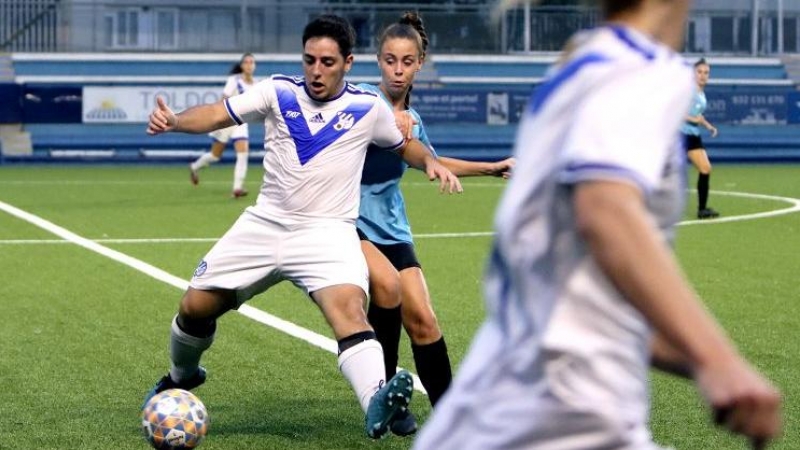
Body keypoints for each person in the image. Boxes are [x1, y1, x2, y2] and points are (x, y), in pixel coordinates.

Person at [414, 1, 782, 449]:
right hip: (567, 411)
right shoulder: (642, 68)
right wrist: (718, 357)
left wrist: (698, 363)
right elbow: (606, 211)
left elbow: (578, 299)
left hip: (497, 404)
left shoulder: (580, 65)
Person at [143, 14, 463, 439]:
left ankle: (375, 403)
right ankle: (182, 375)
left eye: (327, 62)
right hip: (264, 225)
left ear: (347, 62)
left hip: (327, 233)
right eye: (310, 60)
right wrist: (177, 121)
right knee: (193, 308)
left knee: (349, 311)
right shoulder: (277, 91)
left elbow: (407, 147)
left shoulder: (368, 108)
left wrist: (432, 163)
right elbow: (219, 115)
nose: (316, 70)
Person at [355, 11, 514, 437]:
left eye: (407, 61)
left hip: (393, 227)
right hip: (349, 224)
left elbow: (432, 160)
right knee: (386, 287)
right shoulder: (359, 103)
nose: (398, 69)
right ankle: (384, 396)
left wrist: (491, 168)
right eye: (390, 60)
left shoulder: (415, 120)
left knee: (423, 317)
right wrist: (390, 124)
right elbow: (369, 133)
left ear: (419, 64)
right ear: (378, 61)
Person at [189, 53, 257, 198]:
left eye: (252, 62)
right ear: (241, 65)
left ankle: (237, 188)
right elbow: (224, 99)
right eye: (246, 62)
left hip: (240, 122)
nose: (249, 65)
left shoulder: (255, 85)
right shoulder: (234, 80)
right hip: (226, 120)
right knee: (215, 156)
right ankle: (194, 167)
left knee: (243, 154)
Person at [682, 57, 719, 219]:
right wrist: (693, 120)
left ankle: (702, 210)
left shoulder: (700, 93)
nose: (703, 75)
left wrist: (707, 125)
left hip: (693, 135)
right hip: (680, 135)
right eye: (699, 72)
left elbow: (697, 114)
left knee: (705, 168)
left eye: (706, 73)